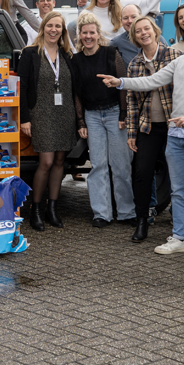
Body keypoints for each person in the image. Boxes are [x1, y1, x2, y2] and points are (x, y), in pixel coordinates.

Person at [99, 10, 184, 263]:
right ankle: (179, 238)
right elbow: (151, 81)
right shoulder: (182, 60)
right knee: (178, 191)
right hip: (177, 136)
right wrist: (120, 83)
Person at [72, 12, 133, 227]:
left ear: (98, 34)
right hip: (92, 116)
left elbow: (123, 84)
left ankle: (126, 212)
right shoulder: (76, 60)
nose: (88, 36)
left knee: (121, 165)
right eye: (84, 33)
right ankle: (101, 213)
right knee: (98, 165)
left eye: (92, 32)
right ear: (79, 35)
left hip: (115, 112)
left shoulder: (111, 53)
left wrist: (124, 115)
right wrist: (81, 122)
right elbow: (76, 93)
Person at [17, 11, 76, 231]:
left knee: (60, 162)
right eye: (50, 25)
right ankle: (36, 209)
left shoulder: (68, 54)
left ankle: (53, 208)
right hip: (40, 114)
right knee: (47, 162)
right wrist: (25, 119)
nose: (54, 30)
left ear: (63, 31)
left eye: (58, 26)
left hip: (65, 114)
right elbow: (21, 88)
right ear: (43, 28)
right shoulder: (30, 53)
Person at [125, 16, 179, 242]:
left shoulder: (174, 56)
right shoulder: (134, 64)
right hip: (147, 128)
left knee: (178, 175)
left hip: (174, 126)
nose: (143, 33)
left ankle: (181, 222)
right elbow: (131, 101)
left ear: (155, 30)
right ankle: (141, 221)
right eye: (138, 31)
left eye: (146, 28)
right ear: (134, 37)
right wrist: (131, 133)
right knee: (141, 174)